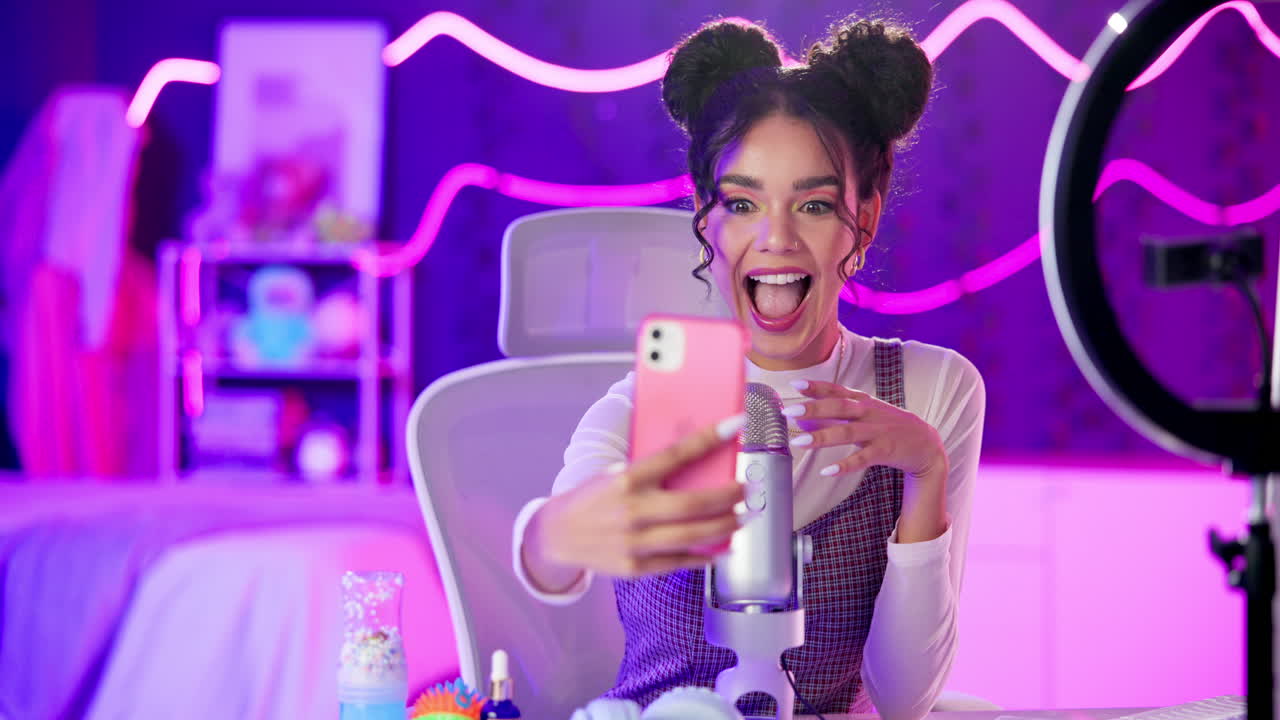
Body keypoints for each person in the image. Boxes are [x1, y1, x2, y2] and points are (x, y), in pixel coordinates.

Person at [512, 15, 986, 720]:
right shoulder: (655, 398)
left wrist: (925, 474)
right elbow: (551, 552)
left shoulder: (929, 391)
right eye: (742, 202)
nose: (777, 237)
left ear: (866, 217)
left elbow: (905, 698)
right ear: (707, 220)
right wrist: (554, 535)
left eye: (816, 204)